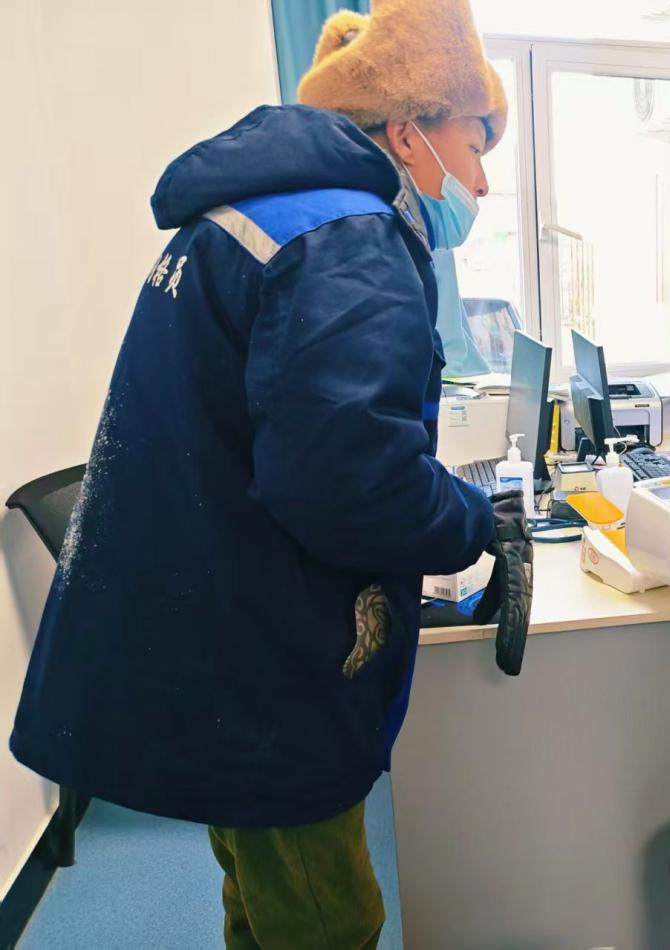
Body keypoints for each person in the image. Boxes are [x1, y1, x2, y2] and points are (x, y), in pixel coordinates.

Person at [9, 0, 524, 946]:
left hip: (208, 632)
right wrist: (474, 520)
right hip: (261, 659)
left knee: (257, 894)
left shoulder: (250, 215)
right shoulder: (349, 239)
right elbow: (350, 481)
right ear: (407, 131)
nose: (483, 181)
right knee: (330, 919)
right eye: (475, 142)